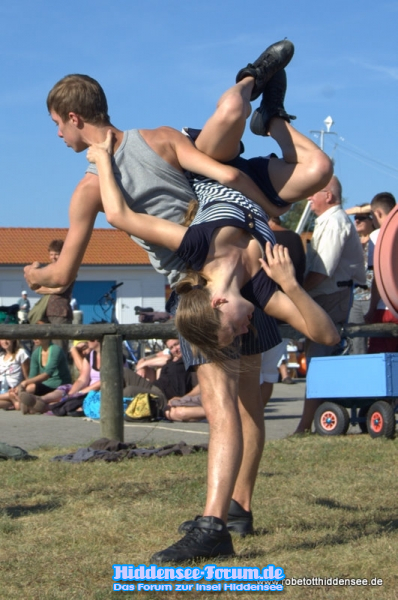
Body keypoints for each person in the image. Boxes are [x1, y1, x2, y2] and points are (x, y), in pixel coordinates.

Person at [23, 40, 333, 562]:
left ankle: (216, 523)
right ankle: (236, 509)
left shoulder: (92, 187)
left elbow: (68, 269)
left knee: (222, 404)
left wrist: (37, 275)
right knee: (245, 402)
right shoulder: (160, 137)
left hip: (201, 276)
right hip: (234, 248)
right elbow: (230, 177)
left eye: (57, 124)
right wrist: (263, 219)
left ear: (74, 118)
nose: (57, 135)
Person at [294, 176, 366, 434]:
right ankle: (316, 420)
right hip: (329, 294)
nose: (309, 198)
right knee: (319, 360)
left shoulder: (335, 222)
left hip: (331, 295)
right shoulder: (331, 220)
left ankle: (306, 425)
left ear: (329, 195)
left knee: (319, 362)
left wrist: (295, 292)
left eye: (314, 193)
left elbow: (323, 271)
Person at [19, 339, 101, 415]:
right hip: (86, 387)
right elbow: (82, 379)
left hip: (99, 391)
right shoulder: (90, 356)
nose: (88, 341)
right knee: (66, 389)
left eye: (91, 339)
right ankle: (40, 400)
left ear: (99, 340)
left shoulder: (110, 357)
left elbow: (103, 382)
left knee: (76, 401)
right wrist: (72, 393)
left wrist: (81, 392)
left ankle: (44, 407)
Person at [365, 192, 398, 353]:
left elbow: (379, 278)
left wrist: (371, 310)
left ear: (377, 213)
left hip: (386, 307)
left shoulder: (377, 235)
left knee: (382, 357)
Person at [12, 323, 71, 406]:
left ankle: (24, 403)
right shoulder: (36, 353)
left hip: (59, 385)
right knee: (17, 393)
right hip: (45, 385)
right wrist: (19, 387)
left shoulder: (56, 350)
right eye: (34, 336)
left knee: (29, 388)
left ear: (47, 336)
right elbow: (32, 377)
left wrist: (24, 383)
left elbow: (47, 375)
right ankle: (18, 402)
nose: (34, 339)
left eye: (38, 336)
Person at [34, 240, 74, 355]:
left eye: (56, 254)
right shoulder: (48, 269)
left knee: (59, 348)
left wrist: (49, 289)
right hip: (45, 313)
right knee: (40, 348)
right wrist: (53, 290)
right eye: (51, 254)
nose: (53, 257)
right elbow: (37, 288)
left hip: (61, 312)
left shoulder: (69, 269)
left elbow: (61, 289)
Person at [345, 205, 375, 354]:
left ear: (372, 220)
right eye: (355, 218)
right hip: (355, 298)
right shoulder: (353, 241)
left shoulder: (378, 238)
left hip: (374, 297)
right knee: (356, 340)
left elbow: (379, 207)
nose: (356, 221)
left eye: (361, 217)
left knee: (377, 337)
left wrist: (352, 210)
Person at [0, 339, 30, 410]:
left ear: (13, 340)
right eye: (2, 339)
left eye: (7, 339)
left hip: (14, 388)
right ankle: (13, 401)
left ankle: (14, 398)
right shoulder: (1, 356)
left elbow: (27, 376)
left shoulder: (21, 353)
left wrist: (21, 388)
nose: (5, 342)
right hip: (2, 389)